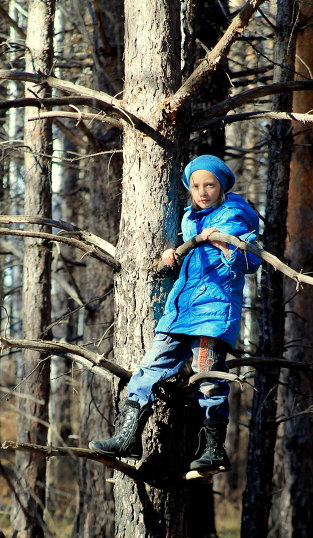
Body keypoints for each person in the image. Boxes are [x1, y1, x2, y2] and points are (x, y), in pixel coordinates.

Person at [89, 154, 261, 474]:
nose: (203, 191)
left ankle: (213, 449)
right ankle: (128, 437)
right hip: (179, 313)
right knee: (147, 369)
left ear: (222, 187)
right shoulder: (189, 220)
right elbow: (191, 261)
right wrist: (173, 255)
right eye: (196, 186)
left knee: (206, 372)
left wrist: (226, 246)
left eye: (210, 185)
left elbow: (250, 262)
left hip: (212, 313)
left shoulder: (233, 216)